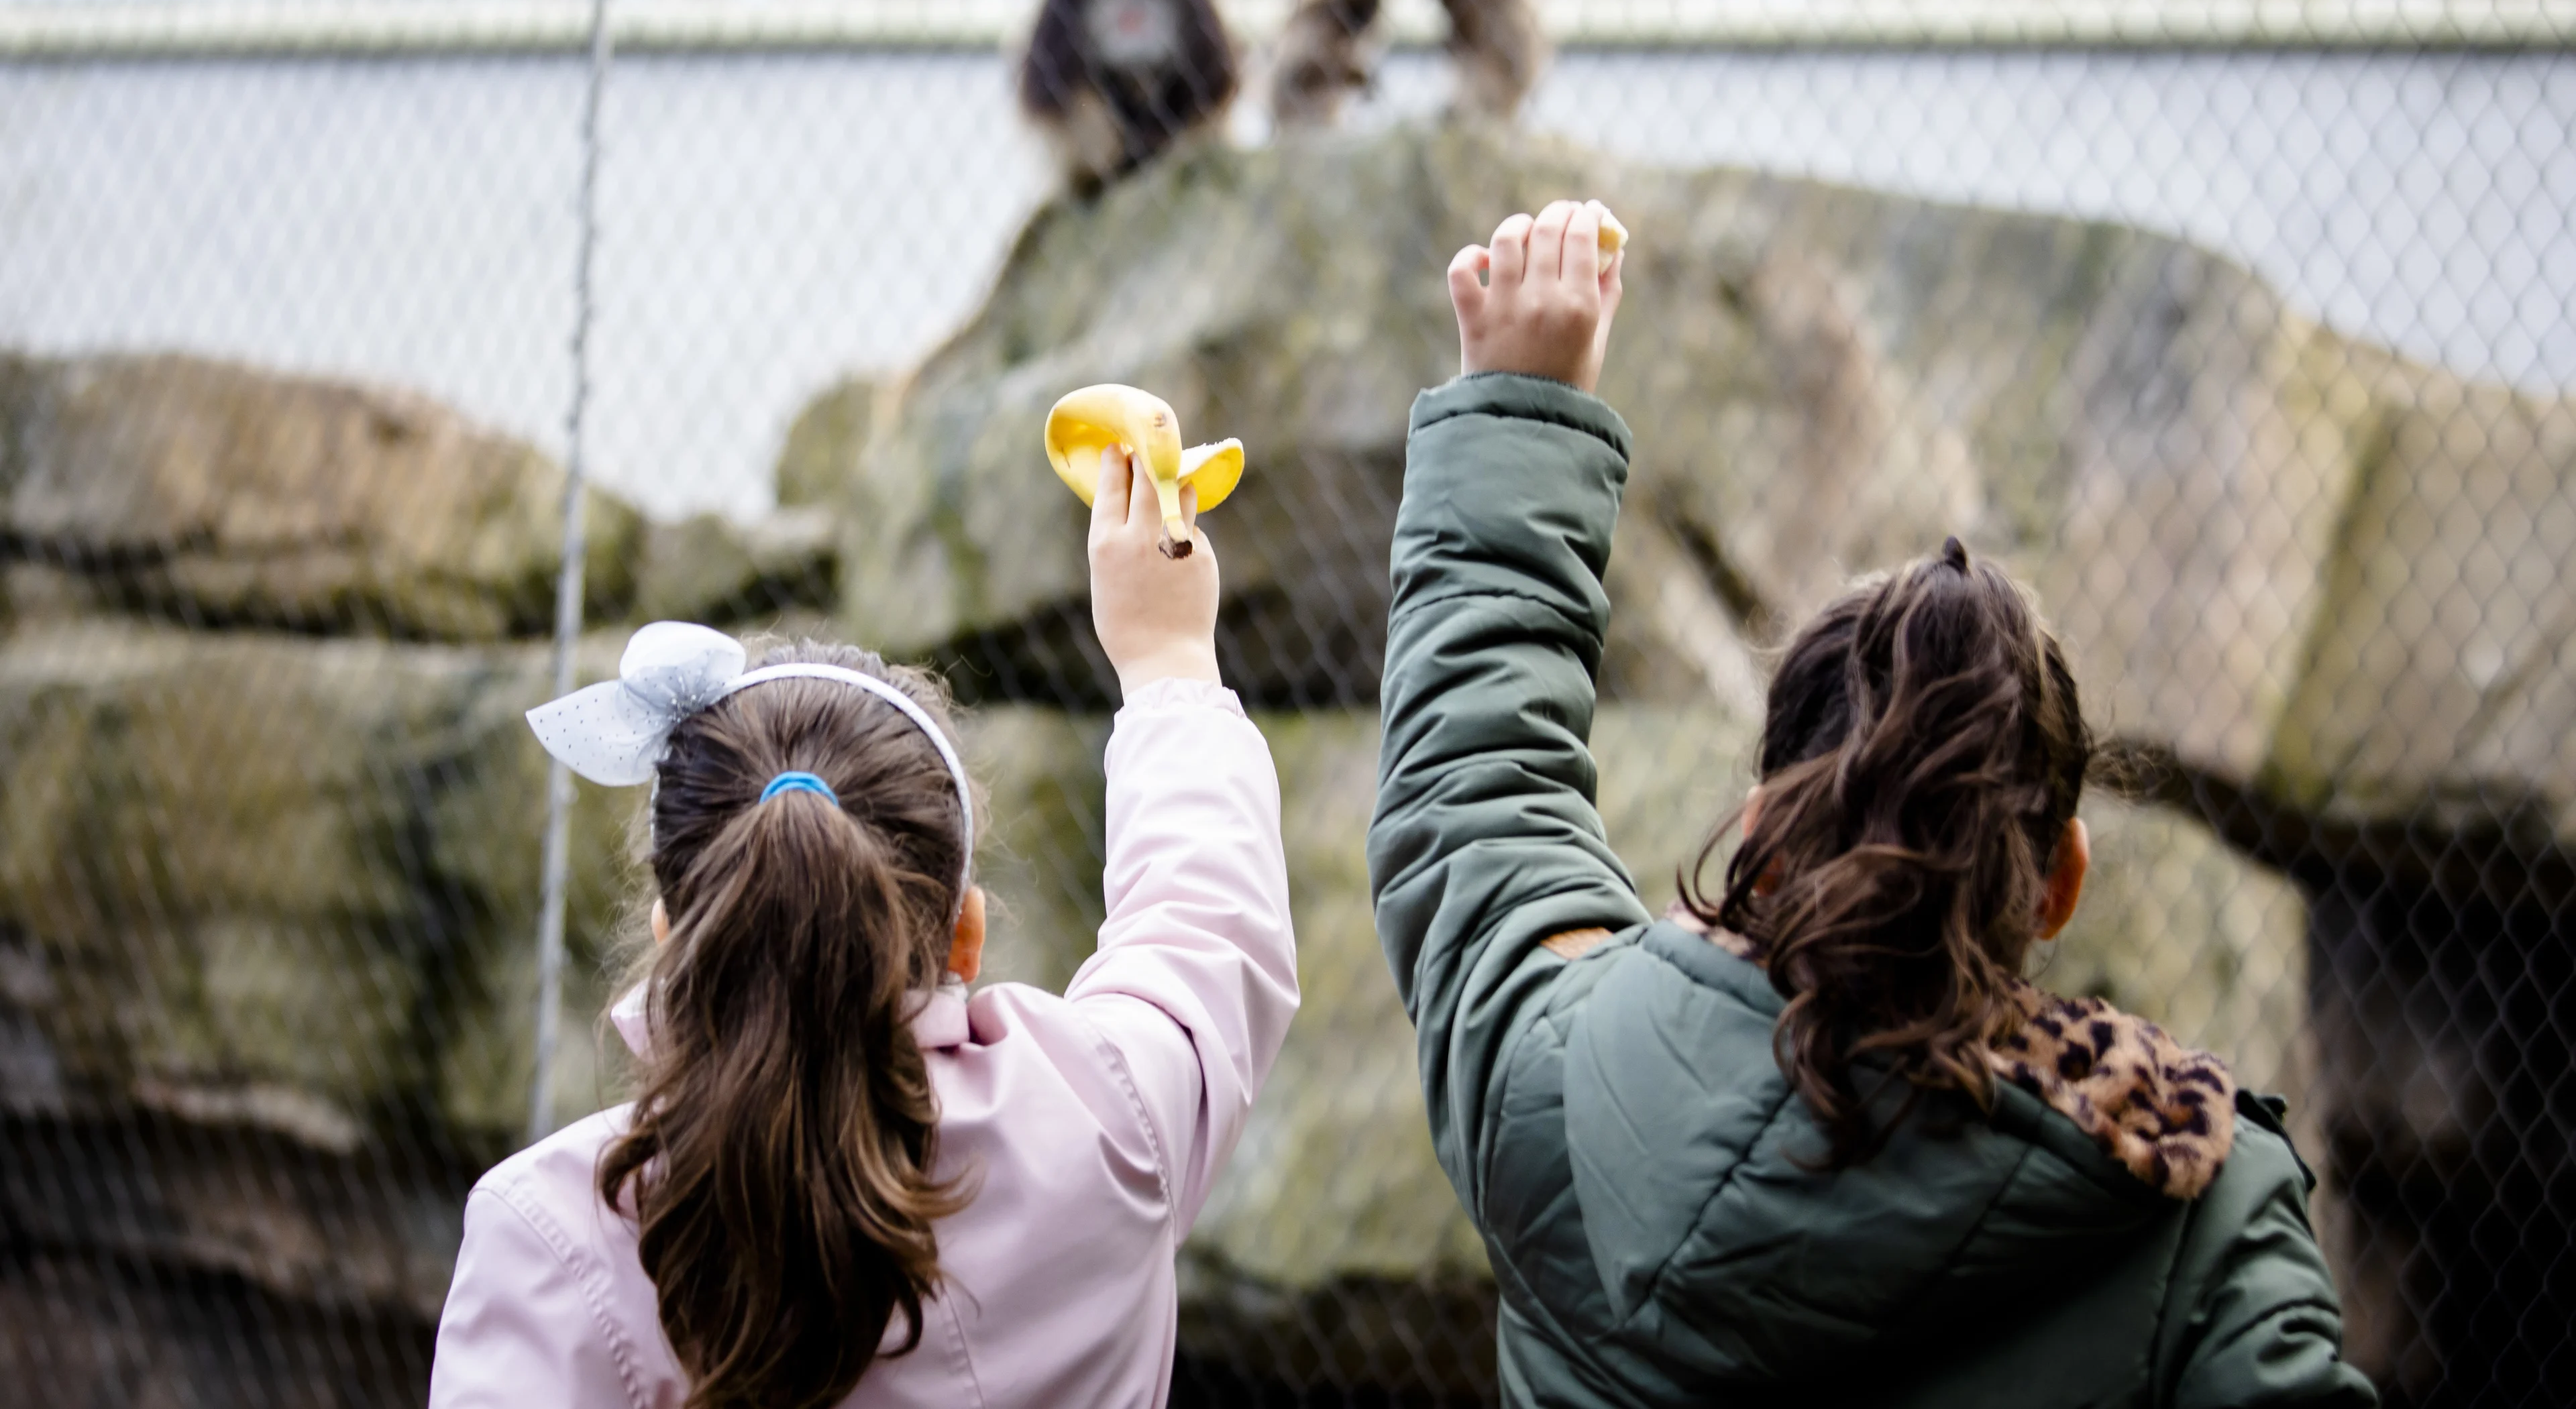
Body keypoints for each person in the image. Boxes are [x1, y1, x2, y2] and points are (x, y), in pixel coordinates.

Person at [1367, 200, 2375, 1406]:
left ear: (1762, 837)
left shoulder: (1554, 1076)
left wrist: (1523, 411)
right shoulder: (2195, 1225)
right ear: (2060, 881)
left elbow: (1475, 778)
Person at [429, 447, 1296, 1409]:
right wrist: (1169, 661)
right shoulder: (1113, 1120)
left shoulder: (548, 1239)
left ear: (677, 939)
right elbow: (1206, 918)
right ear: (961, 937)